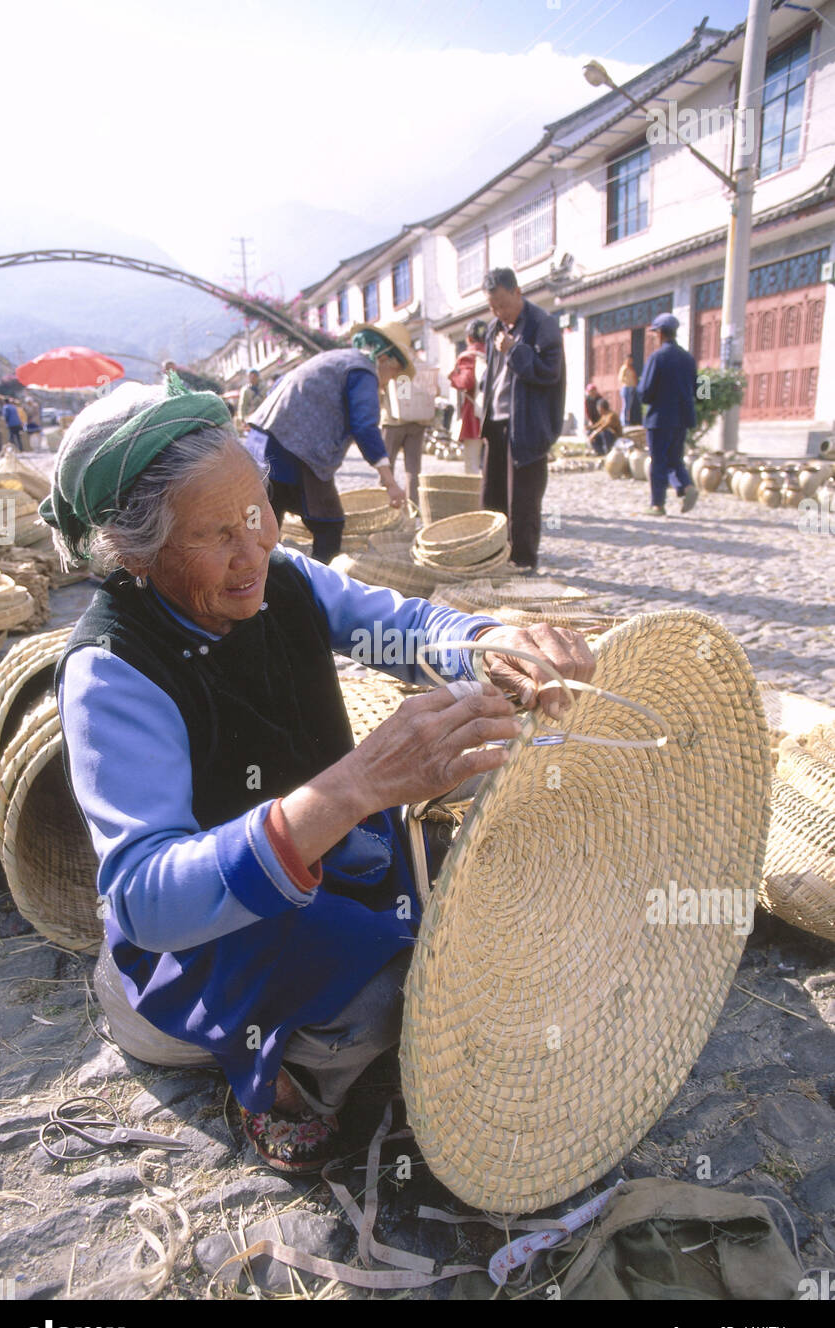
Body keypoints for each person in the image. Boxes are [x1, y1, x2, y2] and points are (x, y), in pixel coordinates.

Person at [42, 374, 596, 1171]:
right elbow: (147, 896)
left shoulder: (286, 580)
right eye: (214, 535)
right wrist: (352, 787)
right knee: (403, 1003)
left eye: (257, 510)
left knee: (502, 879)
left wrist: (490, 647)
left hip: (337, 857)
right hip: (217, 937)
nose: (255, 546)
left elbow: (401, 628)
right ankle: (281, 1079)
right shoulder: (113, 670)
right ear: (135, 554)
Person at [245, 323, 411, 563]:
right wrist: (389, 480)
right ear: (383, 358)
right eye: (395, 372)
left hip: (261, 440)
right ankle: (320, 588)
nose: (390, 381)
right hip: (294, 449)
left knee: (265, 521)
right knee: (329, 524)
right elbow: (365, 426)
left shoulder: (336, 358)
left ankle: (269, 587)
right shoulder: (363, 369)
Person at [480, 268, 566, 572]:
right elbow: (492, 376)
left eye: (503, 304)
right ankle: (493, 559)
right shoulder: (494, 329)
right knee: (493, 498)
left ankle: (524, 564)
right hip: (497, 425)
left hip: (528, 427)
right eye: (493, 307)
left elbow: (548, 372)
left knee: (524, 502)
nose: (498, 312)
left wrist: (515, 350)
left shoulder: (543, 324)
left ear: (518, 292)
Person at [638, 313, 698, 516]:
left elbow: (645, 391)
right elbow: (699, 388)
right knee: (675, 458)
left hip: (660, 418)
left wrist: (643, 396)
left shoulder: (657, 357)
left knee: (659, 461)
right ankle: (687, 487)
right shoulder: (688, 358)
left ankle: (657, 504)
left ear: (660, 333)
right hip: (682, 418)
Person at [380, 351, 437, 507]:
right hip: (418, 422)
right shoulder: (421, 365)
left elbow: (389, 394)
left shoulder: (391, 365)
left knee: (386, 463)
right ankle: (413, 505)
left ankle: (386, 504)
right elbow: (434, 391)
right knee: (412, 467)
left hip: (393, 422)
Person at [448, 319, 487, 475]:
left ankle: (475, 497)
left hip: (474, 414)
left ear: (469, 338)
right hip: (491, 412)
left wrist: (453, 377)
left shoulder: (467, 356)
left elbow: (466, 382)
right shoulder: (491, 353)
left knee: (472, 463)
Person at [618, 355, 642, 426]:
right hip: (626, 388)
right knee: (625, 405)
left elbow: (634, 378)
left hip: (632, 388)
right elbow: (620, 378)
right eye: (629, 360)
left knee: (629, 406)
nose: (630, 361)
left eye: (631, 360)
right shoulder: (624, 368)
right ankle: (623, 422)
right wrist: (627, 382)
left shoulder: (631, 369)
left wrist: (635, 385)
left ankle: (627, 421)